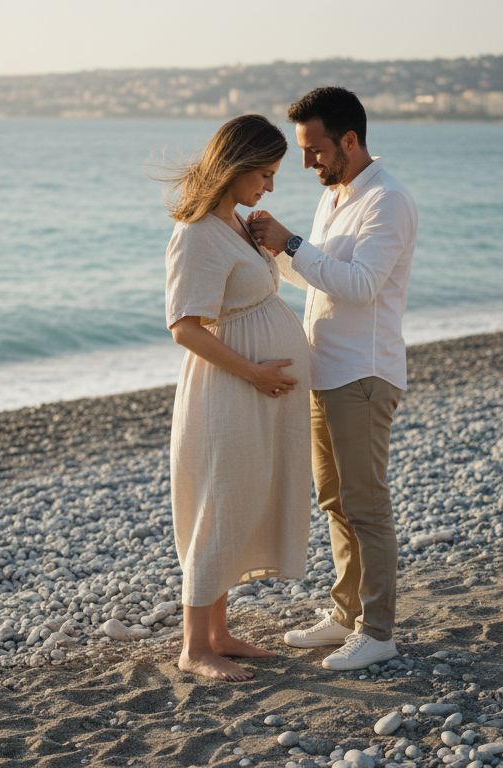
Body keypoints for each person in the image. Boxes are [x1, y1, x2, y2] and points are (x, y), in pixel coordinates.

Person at [247, 86, 418, 671]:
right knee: (334, 501)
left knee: (366, 506)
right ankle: (345, 614)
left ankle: (379, 630)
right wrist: (273, 254)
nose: (306, 162)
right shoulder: (337, 195)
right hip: (327, 370)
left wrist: (292, 242)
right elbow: (321, 280)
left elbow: (360, 284)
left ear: (349, 139)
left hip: (364, 375)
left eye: (314, 149)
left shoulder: (387, 200)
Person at [163, 114, 313, 682]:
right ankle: (193, 647)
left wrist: (269, 242)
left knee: (242, 498)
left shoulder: (232, 225)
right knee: (218, 503)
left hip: (254, 388)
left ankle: (219, 634)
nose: (270, 186)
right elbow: (184, 326)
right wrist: (253, 372)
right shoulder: (198, 232)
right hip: (228, 389)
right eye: (266, 174)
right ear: (238, 167)